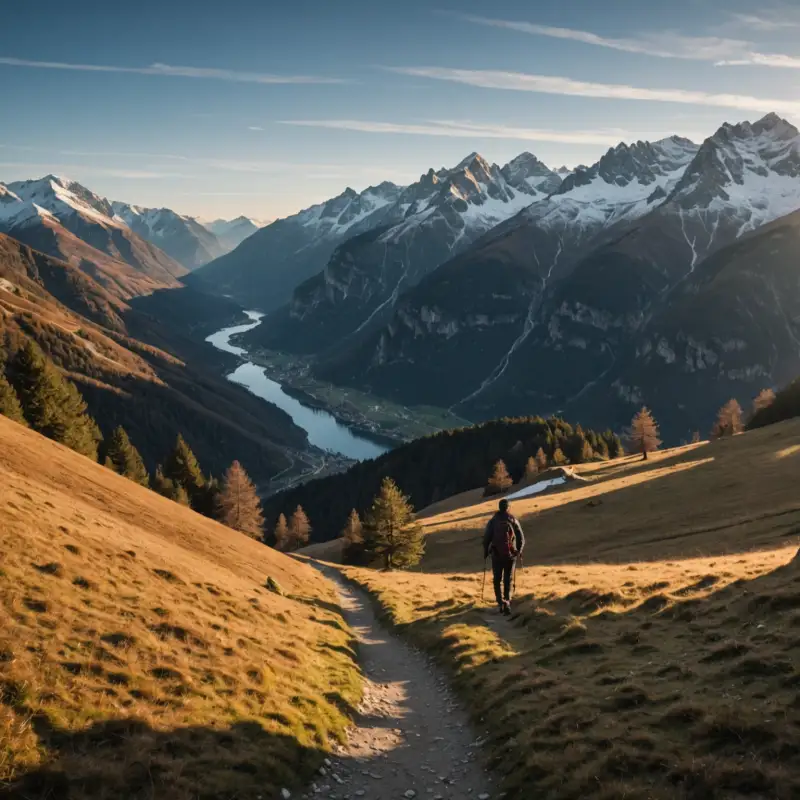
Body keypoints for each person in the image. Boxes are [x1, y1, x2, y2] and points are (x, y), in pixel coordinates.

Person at [483, 498, 525, 615]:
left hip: (496, 555)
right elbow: (521, 538)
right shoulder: (513, 520)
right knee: (508, 578)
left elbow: (486, 538)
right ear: (508, 508)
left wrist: (486, 552)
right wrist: (519, 551)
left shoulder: (493, 521)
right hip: (510, 555)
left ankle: (500, 602)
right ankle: (507, 601)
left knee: (497, 579)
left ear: (499, 507)